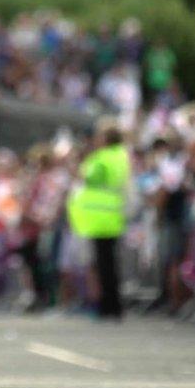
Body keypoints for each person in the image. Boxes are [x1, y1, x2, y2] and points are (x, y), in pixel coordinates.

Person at [68, 119, 131, 319]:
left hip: (100, 216)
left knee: (103, 264)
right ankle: (113, 305)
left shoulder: (102, 157)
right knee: (110, 263)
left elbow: (87, 177)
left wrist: (79, 163)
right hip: (113, 214)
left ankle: (108, 306)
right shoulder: (121, 156)